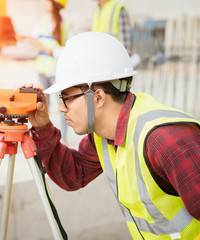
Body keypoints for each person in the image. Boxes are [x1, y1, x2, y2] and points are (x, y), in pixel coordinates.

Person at [25, 32, 200, 239]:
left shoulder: (164, 139)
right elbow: (72, 174)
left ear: (98, 97)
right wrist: (43, 127)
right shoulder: (103, 135)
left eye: (67, 98)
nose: (62, 108)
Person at [32, 0, 72, 143]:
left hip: (56, 71)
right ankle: (46, 138)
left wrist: (53, 51)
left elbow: (69, 49)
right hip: (42, 69)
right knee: (43, 106)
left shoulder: (65, 24)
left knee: (62, 105)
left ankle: (64, 139)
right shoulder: (41, 22)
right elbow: (34, 43)